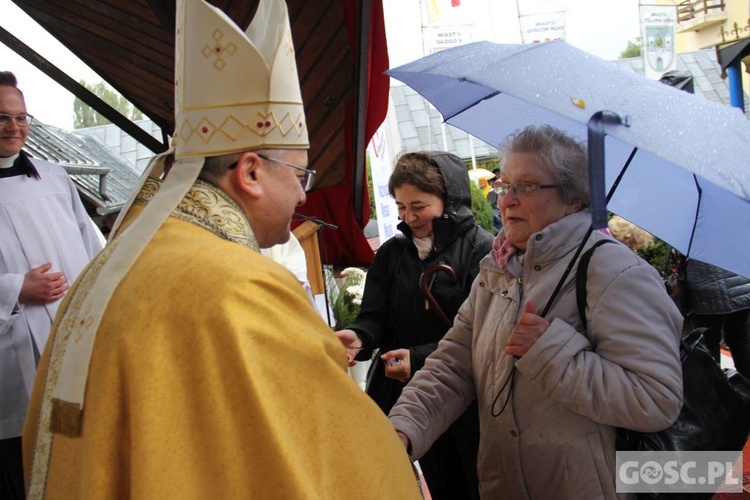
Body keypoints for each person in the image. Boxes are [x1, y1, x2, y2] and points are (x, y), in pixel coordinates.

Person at [22, 1, 422, 498]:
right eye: (300, 175)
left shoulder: (123, 260)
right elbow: (335, 453)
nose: (303, 195)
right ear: (250, 172)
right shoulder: (238, 283)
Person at [387, 125, 684, 498]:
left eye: (526, 186)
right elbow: (452, 364)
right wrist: (400, 431)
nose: (506, 200)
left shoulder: (614, 273)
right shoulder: (497, 267)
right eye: (504, 184)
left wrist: (550, 353)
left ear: (573, 199)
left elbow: (655, 399)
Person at [336, 151, 493, 500]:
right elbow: (376, 316)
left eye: (418, 205)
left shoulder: (483, 251)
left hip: (474, 400)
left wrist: (419, 358)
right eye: (401, 206)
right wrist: (360, 336)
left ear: (448, 200)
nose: (408, 216)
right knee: (442, 482)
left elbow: (486, 334)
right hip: (416, 398)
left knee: (482, 485)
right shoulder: (393, 253)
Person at [0, 71, 103, 499]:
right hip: (12, 348)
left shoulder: (55, 177)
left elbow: (91, 247)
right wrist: (14, 289)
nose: (14, 127)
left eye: (22, 117)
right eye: (2, 118)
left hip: (71, 332)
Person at [685, 259, 750, 378]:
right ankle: (746, 386)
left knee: (708, 345)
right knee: (740, 341)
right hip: (739, 288)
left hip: (706, 293)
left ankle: (717, 389)